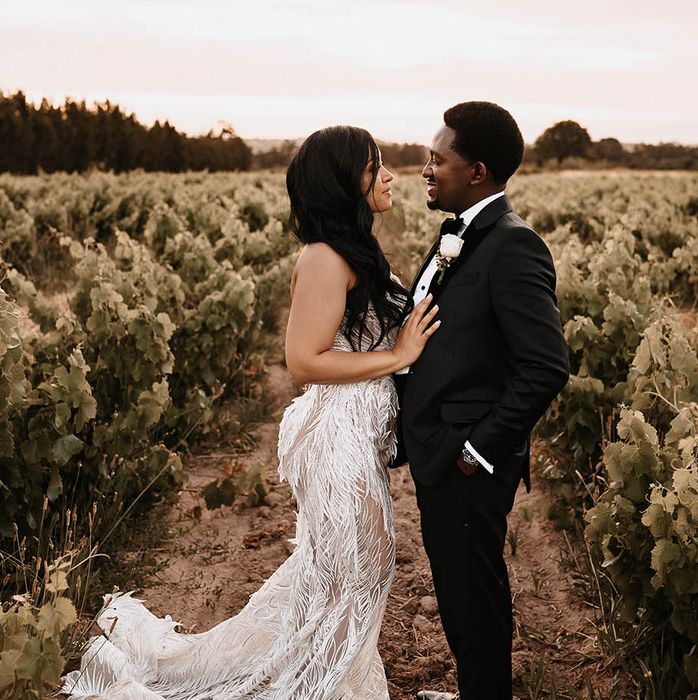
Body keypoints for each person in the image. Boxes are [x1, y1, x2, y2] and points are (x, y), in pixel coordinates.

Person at [61, 125, 440, 700]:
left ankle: (334, 682)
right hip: (335, 441)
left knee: (341, 580)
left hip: (355, 439)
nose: (388, 175)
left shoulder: (351, 251)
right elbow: (303, 363)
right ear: (344, 185)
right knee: (355, 577)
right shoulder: (322, 257)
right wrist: (398, 355)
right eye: (374, 167)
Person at [394, 103, 570, 700]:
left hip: (465, 458)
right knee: (461, 596)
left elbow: (547, 365)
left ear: (478, 172)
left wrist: (476, 448)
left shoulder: (513, 247)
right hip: (441, 450)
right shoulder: (461, 235)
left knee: (475, 603)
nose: (426, 168)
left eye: (438, 159)